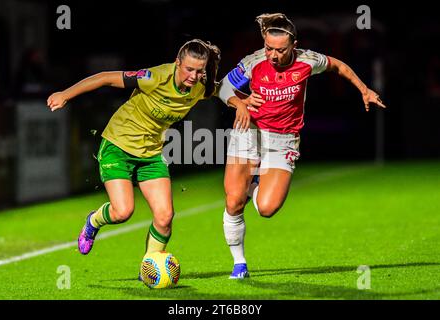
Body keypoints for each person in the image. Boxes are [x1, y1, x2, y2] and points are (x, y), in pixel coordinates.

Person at [217, 13, 386, 279]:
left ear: (294, 45)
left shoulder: (308, 61)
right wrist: (239, 103)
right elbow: (224, 86)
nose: (273, 55)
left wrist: (363, 88)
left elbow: (337, 65)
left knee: (267, 209)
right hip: (248, 134)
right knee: (234, 202)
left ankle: (255, 181)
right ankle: (239, 264)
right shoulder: (254, 62)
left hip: (283, 139)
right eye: (268, 48)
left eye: (280, 50)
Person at [47, 39, 221, 275]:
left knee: (165, 216)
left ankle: (149, 268)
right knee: (123, 212)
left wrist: (242, 103)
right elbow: (106, 77)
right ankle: (93, 222)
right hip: (118, 146)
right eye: (189, 69)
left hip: (151, 154)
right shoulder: (154, 77)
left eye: (199, 70)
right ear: (177, 63)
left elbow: (222, 90)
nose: (193, 75)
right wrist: (65, 94)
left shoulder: (200, 86)